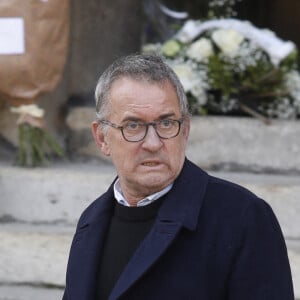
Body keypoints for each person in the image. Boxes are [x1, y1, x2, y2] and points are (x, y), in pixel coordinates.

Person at [62, 54, 294, 300]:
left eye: (166, 123)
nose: (153, 143)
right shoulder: (91, 221)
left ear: (185, 130)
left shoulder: (242, 218)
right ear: (101, 138)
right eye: (133, 126)